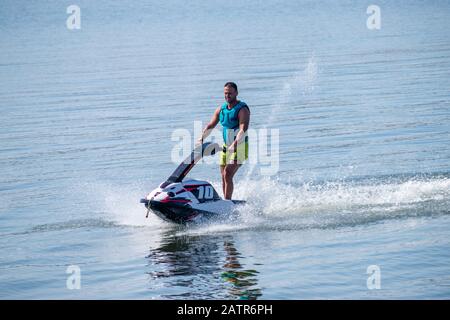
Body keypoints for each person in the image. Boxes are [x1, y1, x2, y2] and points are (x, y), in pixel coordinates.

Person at [197, 82, 250, 200]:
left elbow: (243, 129)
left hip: (240, 146)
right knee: (223, 176)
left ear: (236, 93)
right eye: (225, 93)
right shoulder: (221, 109)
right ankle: (224, 202)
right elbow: (210, 125)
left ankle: (227, 202)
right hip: (226, 147)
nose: (227, 95)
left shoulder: (242, 109)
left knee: (227, 173)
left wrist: (234, 145)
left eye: (230, 93)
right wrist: (201, 138)